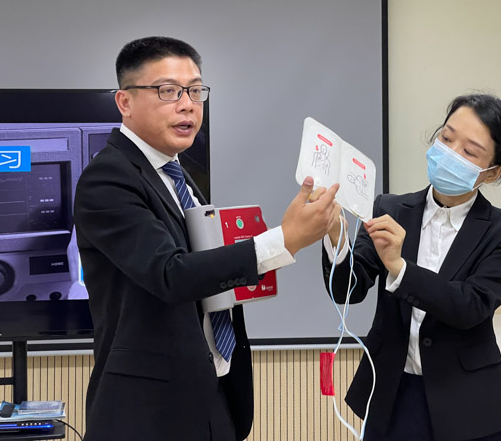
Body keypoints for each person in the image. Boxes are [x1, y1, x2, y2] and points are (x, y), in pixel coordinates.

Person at [74, 36, 339, 441]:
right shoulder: (108, 178)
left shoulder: (179, 175)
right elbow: (171, 274)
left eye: (195, 91)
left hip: (212, 395)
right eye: (168, 91)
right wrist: (284, 240)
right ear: (125, 102)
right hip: (148, 411)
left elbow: (204, 276)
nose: (188, 105)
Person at [319, 94, 501, 441]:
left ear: (493, 172)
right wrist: (336, 239)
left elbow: (470, 306)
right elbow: (347, 290)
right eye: (446, 138)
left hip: (470, 403)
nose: (451, 154)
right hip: (392, 395)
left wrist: (400, 268)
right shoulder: (390, 209)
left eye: (469, 151)